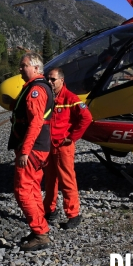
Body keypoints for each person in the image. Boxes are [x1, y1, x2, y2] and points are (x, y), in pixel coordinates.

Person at [7, 52, 54, 251]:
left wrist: (25, 150)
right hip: (39, 147)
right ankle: (39, 229)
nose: (20, 69)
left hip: (32, 148)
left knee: (23, 191)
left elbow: (35, 122)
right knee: (33, 189)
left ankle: (40, 233)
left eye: (23, 65)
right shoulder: (40, 87)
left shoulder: (36, 90)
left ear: (35, 68)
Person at [43, 67, 92, 229]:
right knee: (50, 180)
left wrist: (72, 137)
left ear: (62, 80)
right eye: (47, 79)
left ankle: (73, 214)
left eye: (52, 79)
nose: (49, 82)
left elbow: (86, 118)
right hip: (49, 146)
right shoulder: (48, 97)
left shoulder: (70, 98)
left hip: (63, 147)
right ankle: (49, 210)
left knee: (67, 180)